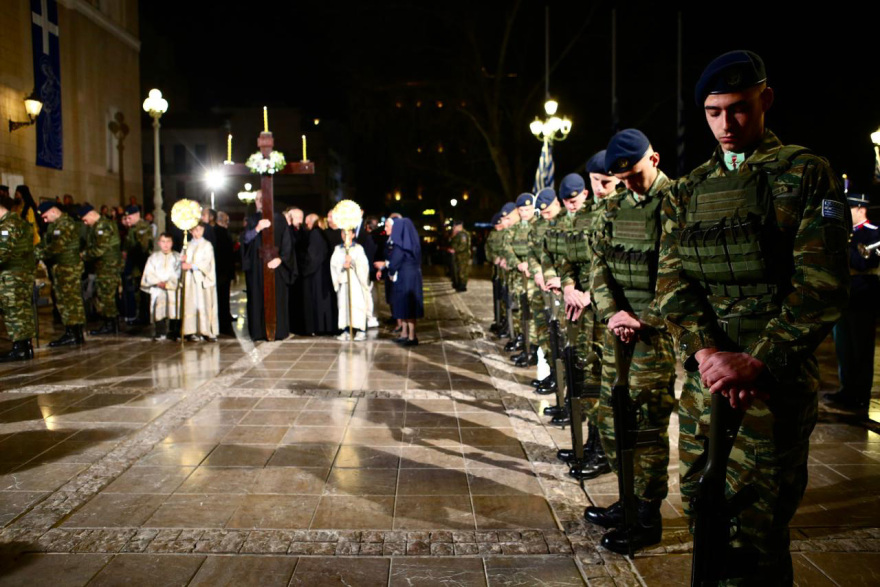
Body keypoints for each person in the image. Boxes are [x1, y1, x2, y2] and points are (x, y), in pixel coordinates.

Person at [656, 50, 850, 584]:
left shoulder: (805, 173)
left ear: (765, 100)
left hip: (773, 386)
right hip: (707, 384)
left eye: (738, 108)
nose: (726, 124)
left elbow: (824, 284)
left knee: (757, 530)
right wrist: (708, 356)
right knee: (702, 510)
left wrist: (756, 361)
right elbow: (672, 285)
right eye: (713, 112)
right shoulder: (688, 189)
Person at [583, 129, 677, 554]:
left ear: (653, 160)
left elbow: (682, 274)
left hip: (654, 338)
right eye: (622, 178)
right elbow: (597, 264)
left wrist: (643, 319)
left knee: (648, 430)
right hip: (617, 332)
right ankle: (626, 498)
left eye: (636, 175)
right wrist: (611, 313)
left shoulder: (677, 202)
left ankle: (647, 514)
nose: (630, 184)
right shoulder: (613, 207)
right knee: (610, 420)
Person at [825, 193, 879, 412]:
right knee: (844, 348)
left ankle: (860, 395)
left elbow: (863, 263)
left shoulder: (872, 233)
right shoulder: (845, 234)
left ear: (860, 209)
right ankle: (847, 390)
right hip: (843, 297)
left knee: (861, 349)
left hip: (863, 298)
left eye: (849, 209)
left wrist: (844, 253)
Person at [241, 194, 297, 341]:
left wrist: (281, 259)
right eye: (257, 198)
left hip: (276, 267)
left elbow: (287, 243)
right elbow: (246, 239)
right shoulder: (252, 219)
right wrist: (258, 228)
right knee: (258, 296)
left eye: (262, 198)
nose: (259, 201)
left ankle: (278, 330)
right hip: (258, 266)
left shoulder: (279, 219)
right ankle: (259, 331)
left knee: (276, 297)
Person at [35, 201, 86, 346]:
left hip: (68, 267)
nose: (45, 221)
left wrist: (38, 253)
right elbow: (45, 243)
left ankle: (74, 333)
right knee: (65, 300)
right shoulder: (54, 225)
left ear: (53, 211)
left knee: (70, 300)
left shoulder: (64, 224)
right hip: (61, 267)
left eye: (45, 217)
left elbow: (55, 247)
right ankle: (73, 332)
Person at [0, 191, 36, 361]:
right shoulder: (19, 221)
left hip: (12, 276)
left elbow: (2, 252)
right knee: (22, 310)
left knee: (14, 311)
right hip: (23, 273)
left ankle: (19, 349)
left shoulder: (7, 225)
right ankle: (25, 346)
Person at [80, 204, 122, 335]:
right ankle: (110, 323)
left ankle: (110, 324)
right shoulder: (101, 224)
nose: (85, 223)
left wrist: (83, 255)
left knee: (106, 296)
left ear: (91, 214)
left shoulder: (102, 226)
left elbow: (100, 249)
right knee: (104, 295)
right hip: (104, 266)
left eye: (85, 219)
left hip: (108, 267)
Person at [386, 217, 424, 345]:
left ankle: (411, 336)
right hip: (413, 278)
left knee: (405, 306)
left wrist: (390, 271)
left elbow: (394, 263)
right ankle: (406, 334)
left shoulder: (400, 246)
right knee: (409, 307)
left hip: (404, 278)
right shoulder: (413, 244)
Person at [180, 223, 219, 341]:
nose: (197, 232)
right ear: (191, 231)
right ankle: (191, 331)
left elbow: (207, 262)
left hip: (202, 279)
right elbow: (182, 259)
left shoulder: (207, 245)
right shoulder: (187, 245)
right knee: (191, 304)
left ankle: (206, 330)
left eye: (200, 230)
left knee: (203, 304)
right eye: (195, 230)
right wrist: (182, 260)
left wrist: (191, 265)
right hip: (190, 280)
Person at [330, 228, 370, 341]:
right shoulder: (338, 249)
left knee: (357, 304)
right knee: (344, 305)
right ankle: (347, 329)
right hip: (344, 280)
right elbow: (333, 265)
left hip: (356, 281)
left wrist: (352, 262)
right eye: (343, 233)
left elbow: (363, 265)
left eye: (348, 233)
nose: (345, 235)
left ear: (353, 235)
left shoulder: (358, 248)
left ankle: (361, 330)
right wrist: (342, 266)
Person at [140, 232, 181, 340]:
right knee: (159, 308)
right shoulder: (153, 257)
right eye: (163, 242)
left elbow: (178, 273)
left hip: (172, 288)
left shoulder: (177, 257)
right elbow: (149, 272)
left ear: (172, 243)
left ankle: (174, 331)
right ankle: (160, 331)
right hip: (158, 288)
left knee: (174, 308)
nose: (166, 245)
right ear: (159, 243)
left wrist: (168, 283)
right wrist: (158, 282)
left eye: (168, 242)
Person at [121, 205, 154, 325]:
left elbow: (143, 247)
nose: (127, 221)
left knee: (143, 292)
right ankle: (135, 316)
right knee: (134, 291)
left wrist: (130, 253)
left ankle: (144, 317)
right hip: (133, 264)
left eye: (129, 218)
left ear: (136, 215)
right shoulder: (132, 228)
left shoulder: (142, 227)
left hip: (141, 264)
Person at [213, 210, 236, 336]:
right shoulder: (217, 232)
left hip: (225, 270)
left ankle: (226, 315)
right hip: (220, 270)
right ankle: (223, 320)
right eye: (226, 220)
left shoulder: (224, 232)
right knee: (221, 295)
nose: (228, 222)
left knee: (225, 295)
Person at [448, 220, 472, 292]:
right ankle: (458, 284)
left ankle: (462, 286)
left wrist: (455, 250)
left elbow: (463, 245)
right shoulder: (458, 234)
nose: (454, 228)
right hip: (458, 255)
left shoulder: (463, 234)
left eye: (455, 226)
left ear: (459, 226)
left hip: (463, 256)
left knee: (462, 271)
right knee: (458, 270)